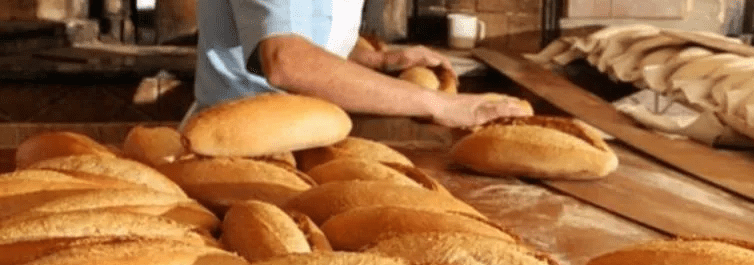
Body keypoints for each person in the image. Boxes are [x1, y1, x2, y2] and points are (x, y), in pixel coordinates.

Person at [189, 0, 532, 129]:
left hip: (307, 134)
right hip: (240, 141)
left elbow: (315, 32)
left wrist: (380, 60)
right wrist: (438, 104)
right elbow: (286, 59)